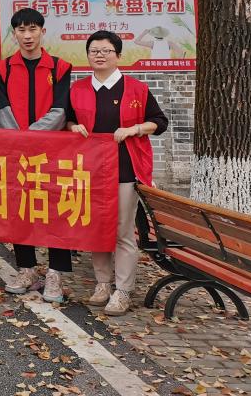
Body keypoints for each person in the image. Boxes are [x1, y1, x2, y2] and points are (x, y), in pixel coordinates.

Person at [67, 30, 168, 316]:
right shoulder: (78, 89)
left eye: (106, 51)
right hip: (90, 170)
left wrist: (134, 129)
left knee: (122, 230)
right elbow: (68, 120)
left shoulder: (136, 89)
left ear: (118, 55)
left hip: (125, 169)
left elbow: (159, 122)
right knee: (97, 228)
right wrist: (73, 127)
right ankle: (103, 284)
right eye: (94, 51)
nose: (99, 55)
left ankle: (123, 290)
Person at [0, 8, 73, 303]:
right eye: (21, 30)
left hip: (52, 152)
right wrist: (21, 141)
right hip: (17, 152)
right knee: (20, 208)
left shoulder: (60, 67)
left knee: (56, 210)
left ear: (42, 31)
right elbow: (1, 109)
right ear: (14, 34)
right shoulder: (2, 69)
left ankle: (55, 273)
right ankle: (26, 269)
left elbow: (61, 110)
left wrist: (31, 137)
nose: (27, 36)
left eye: (33, 29)